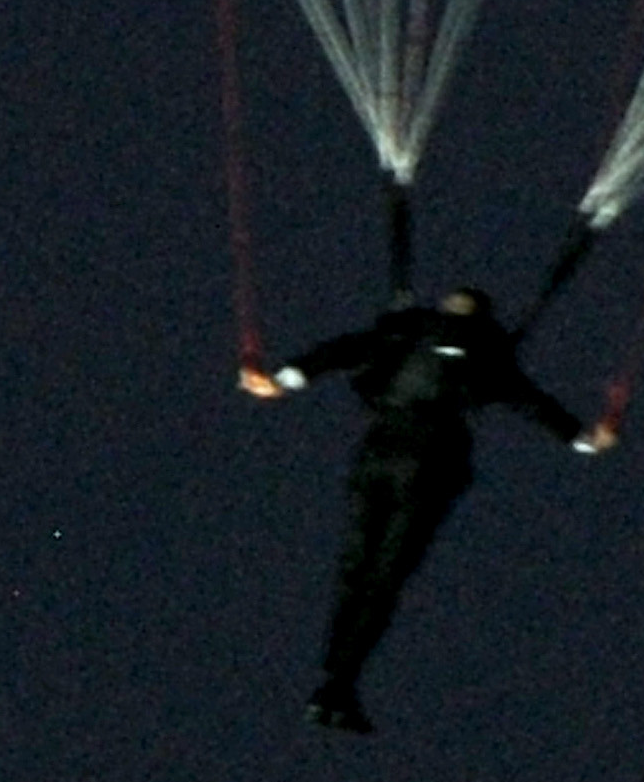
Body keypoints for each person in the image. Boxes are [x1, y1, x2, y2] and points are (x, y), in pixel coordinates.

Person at [248, 285, 602, 734]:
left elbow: (339, 352)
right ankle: (338, 683)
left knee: (357, 566)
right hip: (429, 463)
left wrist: (282, 379)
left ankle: (336, 679)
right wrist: (582, 438)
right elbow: (530, 401)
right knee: (384, 575)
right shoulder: (484, 350)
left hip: (380, 451)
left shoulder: (407, 332)